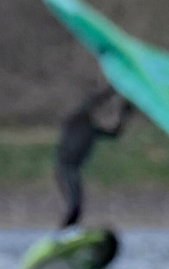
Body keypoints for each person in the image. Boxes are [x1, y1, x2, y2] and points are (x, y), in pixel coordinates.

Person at [54, 85, 133, 229]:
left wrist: (125, 112)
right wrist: (114, 89)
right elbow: (94, 102)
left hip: (74, 169)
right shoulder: (76, 120)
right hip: (64, 168)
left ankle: (69, 232)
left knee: (78, 205)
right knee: (74, 204)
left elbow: (115, 133)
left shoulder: (93, 130)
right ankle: (62, 234)